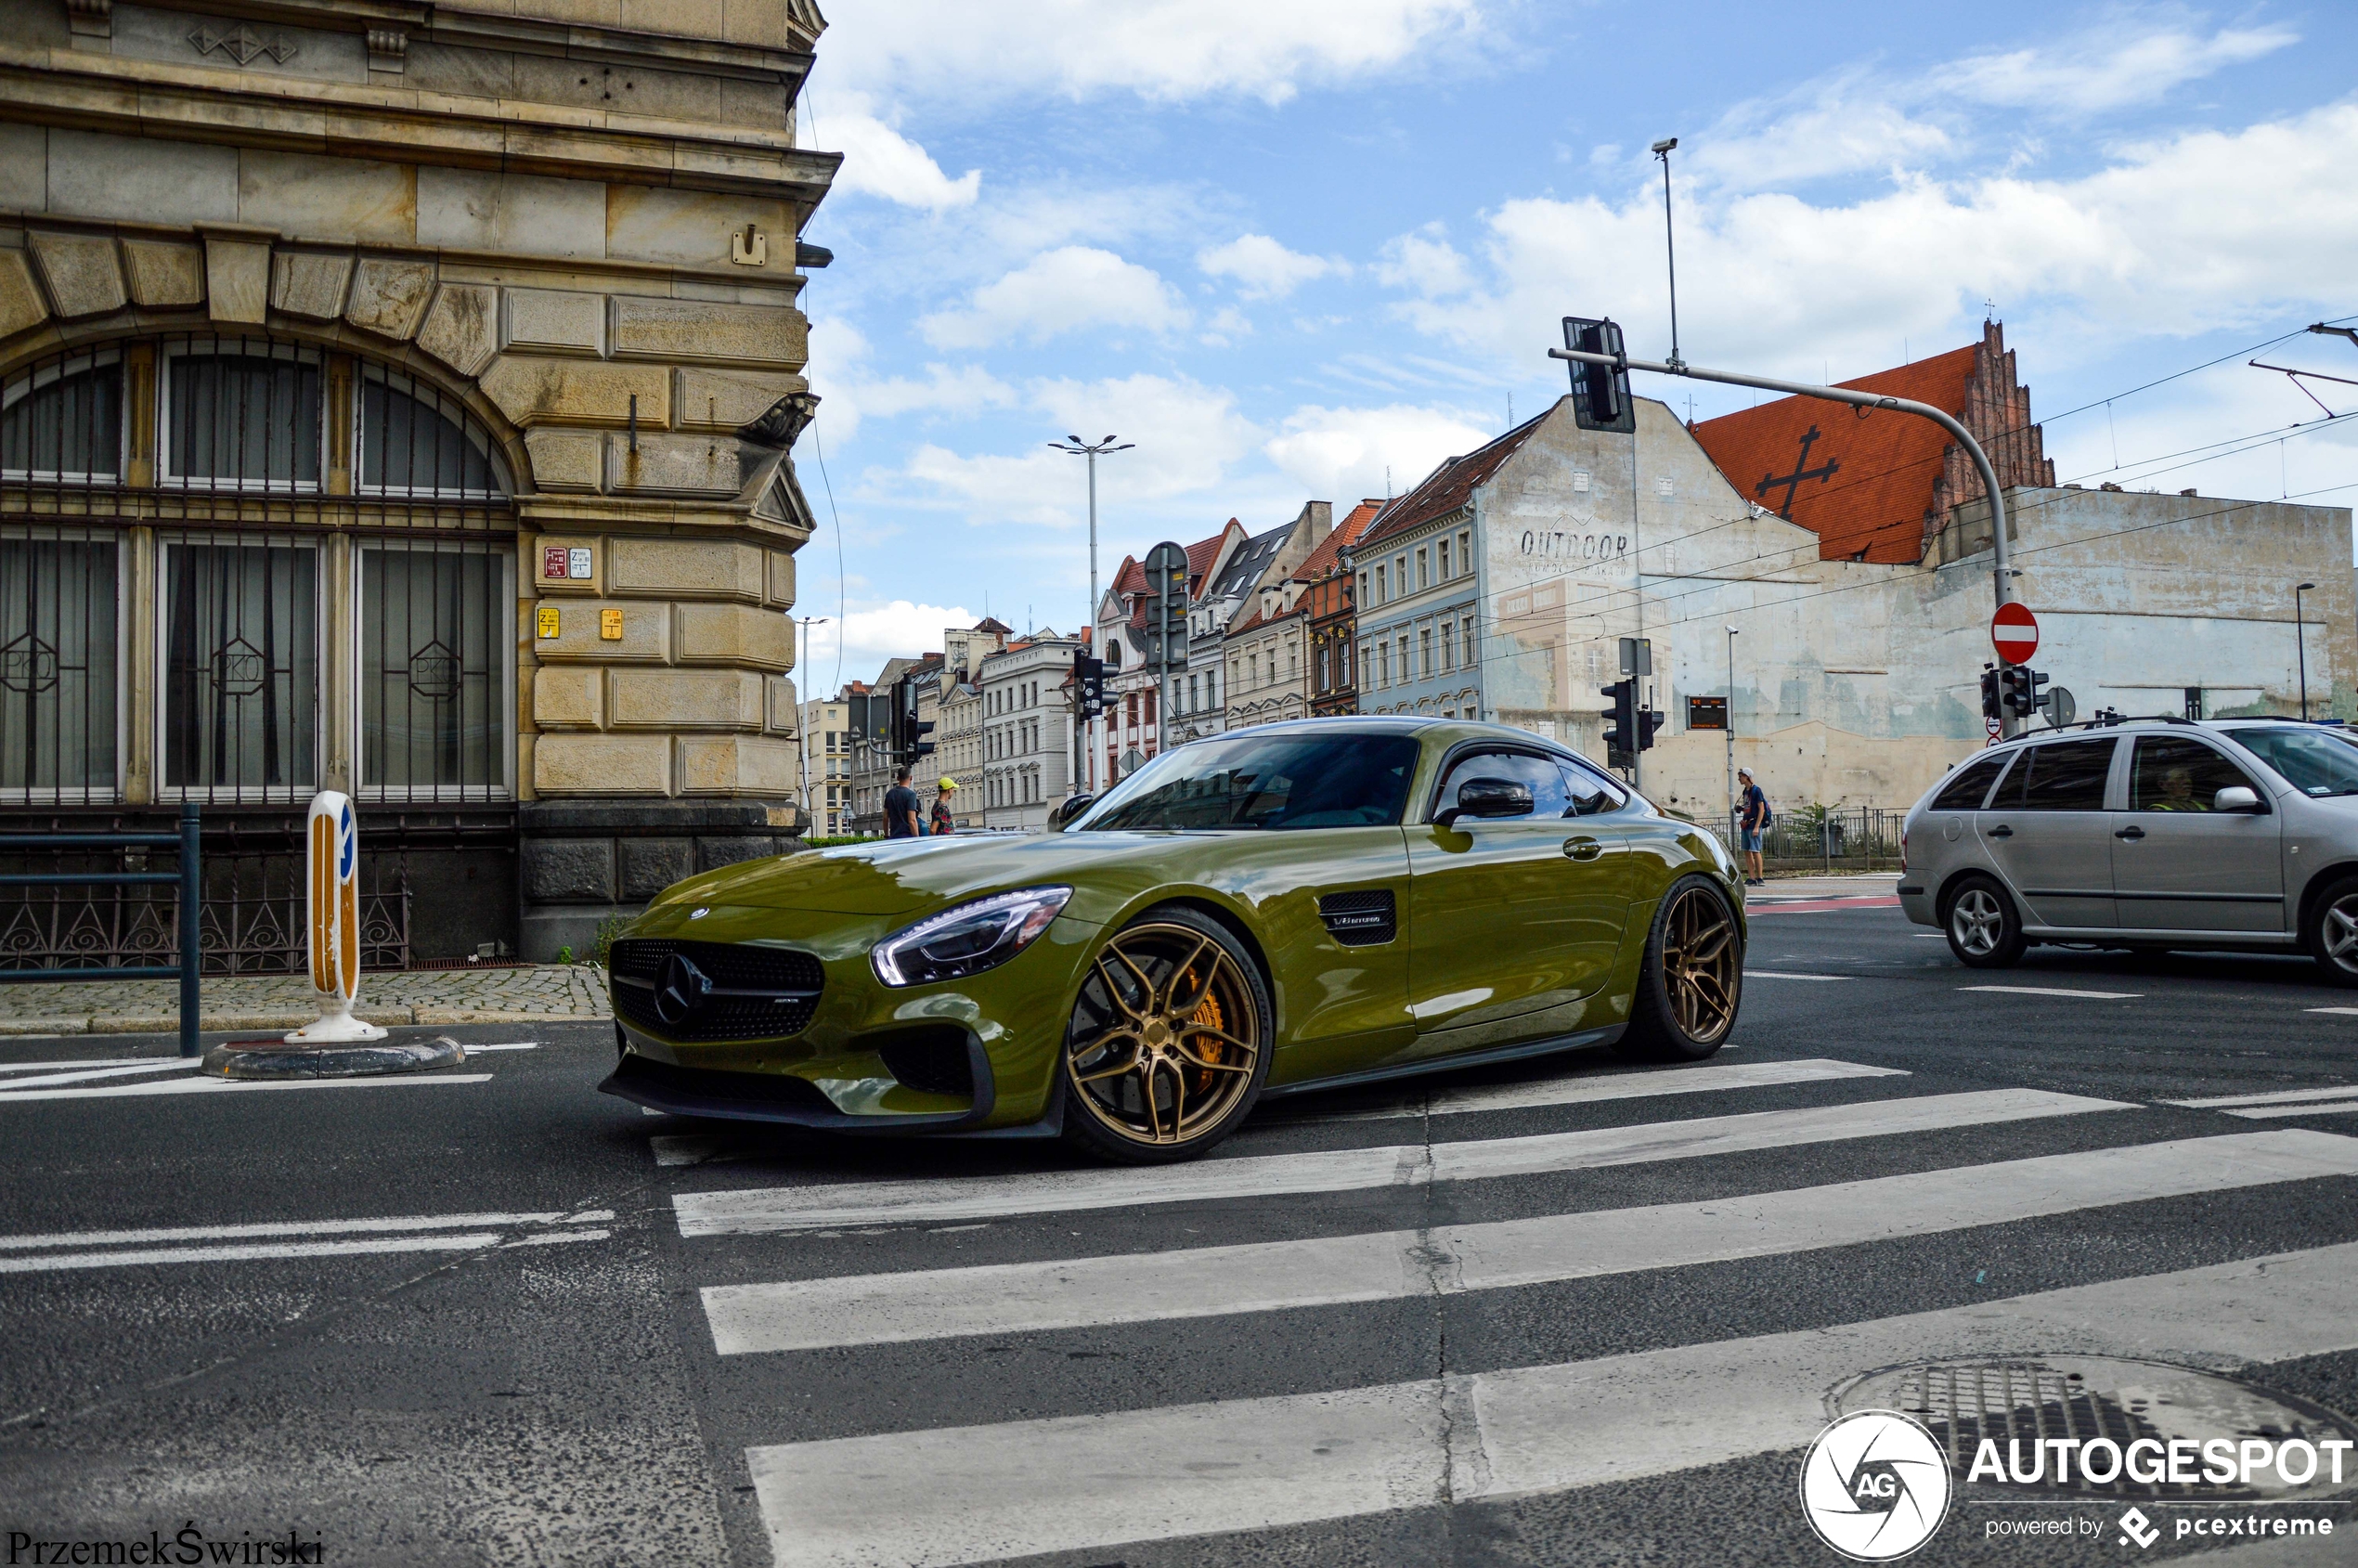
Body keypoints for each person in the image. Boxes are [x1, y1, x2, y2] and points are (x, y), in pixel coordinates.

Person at [1738, 767, 1770, 887]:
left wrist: (1757, 826)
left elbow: (1761, 809)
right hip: (1746, 824)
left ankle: (1760, 877)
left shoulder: (1757, 790)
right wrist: (1741, 809)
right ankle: (1751, 877)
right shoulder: (1745, 792)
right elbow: (1748, 806)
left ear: (1747, 776)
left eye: (1741, 776)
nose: (1739, 779)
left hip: (1754, 823)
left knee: (1755, 850)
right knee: (1747, 851)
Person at [883, 765, 921, 839]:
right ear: (911, 778)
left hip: (894, 836)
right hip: (907, 837)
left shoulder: (889, 794)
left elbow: (885, 817)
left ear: (898, 778)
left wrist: (886, 835)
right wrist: (917, 838)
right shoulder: (911, 795)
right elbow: (912, 820)